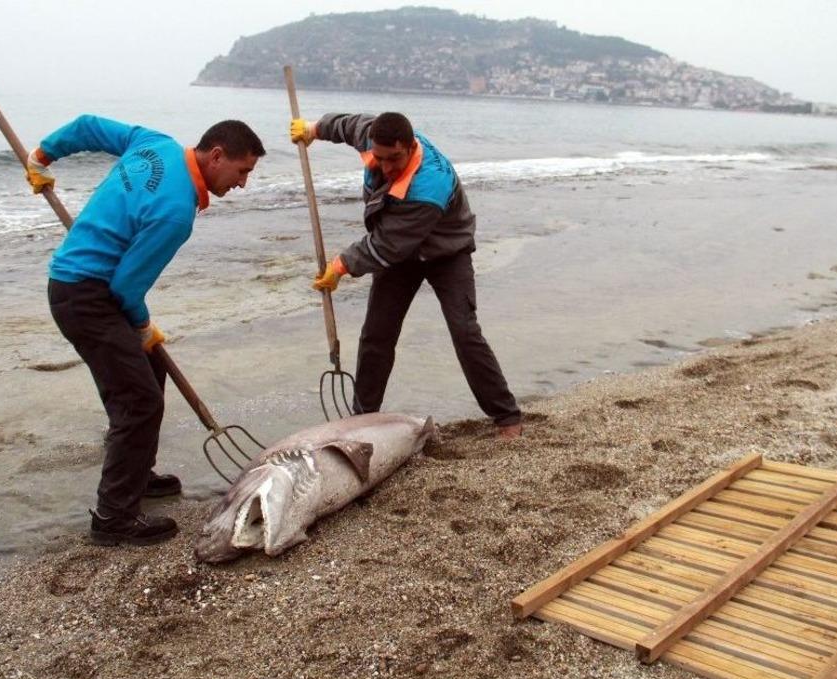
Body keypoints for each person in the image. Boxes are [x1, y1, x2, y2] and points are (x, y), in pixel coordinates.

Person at [26, 115, 265, 545]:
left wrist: (42, 155)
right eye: (243, 170)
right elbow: (126, 287)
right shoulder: (176, 213)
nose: (243, 183)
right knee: (140, 401)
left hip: (76, 286)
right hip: (88, 297)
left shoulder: (157, 142)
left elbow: (87, 126)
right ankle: (113, 519)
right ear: (216, 156)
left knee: (149, 373)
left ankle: (137, 474)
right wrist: (142, 325)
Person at [289, 112, 521, 438]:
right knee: (376, 335)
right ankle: (362, 420)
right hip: (400, 253)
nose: (385, 167)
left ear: (411, 146)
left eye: (394, 159)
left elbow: (388, 245)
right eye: (379, 158)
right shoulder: (375, 134)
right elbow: (346, 125)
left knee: (464, 331)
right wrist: (314, 129)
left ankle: (507, 417)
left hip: (446, 253)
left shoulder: (430, 185)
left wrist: (340, 266)